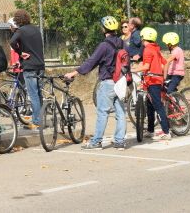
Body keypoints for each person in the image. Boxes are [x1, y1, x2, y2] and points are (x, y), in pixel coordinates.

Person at [64, 16, 127, 150]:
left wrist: (73, 73)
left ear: (104, 29)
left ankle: (96, 142)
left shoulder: (104, 45)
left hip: (107, 82)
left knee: (103, 113)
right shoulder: (122, 43)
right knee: (121, 112)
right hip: (120, 82)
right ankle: (120, 141)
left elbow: (91, 62)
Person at [133, 27, 171, 141]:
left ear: (144, 38)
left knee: (158, 106)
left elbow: (146, 66)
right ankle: (150, 130)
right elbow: (164, 63)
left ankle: (166, 132)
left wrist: (133, 70)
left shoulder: (148, 49)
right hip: (153, 80)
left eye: (142, 38)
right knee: (150, 106)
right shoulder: (155, 48)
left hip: (153, 81)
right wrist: (163, 77)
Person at [9, 9, 44, 128]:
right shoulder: (36, 29)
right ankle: (41, 119)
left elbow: (12, 42)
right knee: (39, 93)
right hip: (40, 65)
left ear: (17, 20)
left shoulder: (21, 31)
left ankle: (36, 122)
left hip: (30, 67)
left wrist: (20, 53)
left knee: (33, 94)